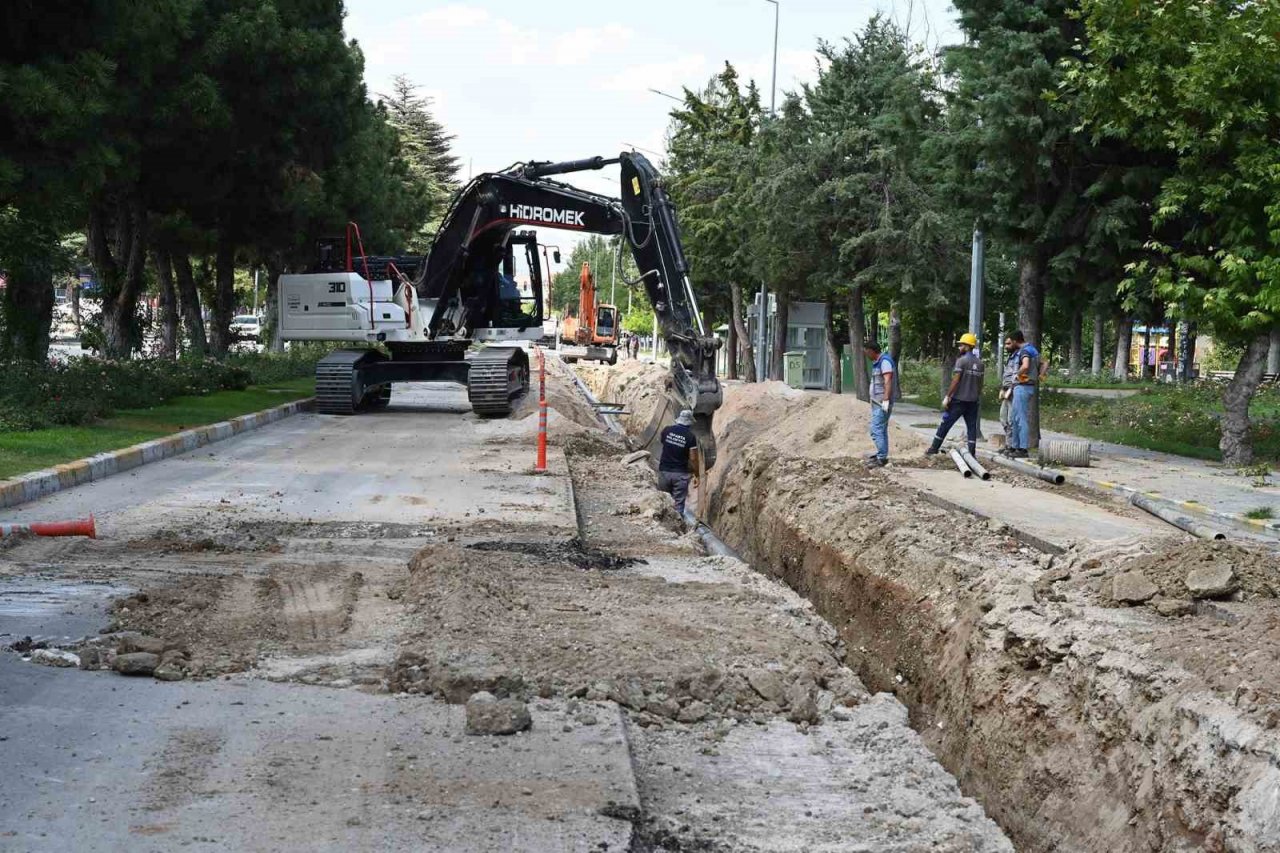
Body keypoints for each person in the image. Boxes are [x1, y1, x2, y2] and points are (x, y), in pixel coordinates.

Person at [926, 333, 985, 457]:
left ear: (967, 346)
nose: (959, 347)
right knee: (972, 428)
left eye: (961, 345)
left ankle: (933, 448)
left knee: (945, 423)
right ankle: (972, 453)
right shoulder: (980, 364)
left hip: (959, 400)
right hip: (973, 401)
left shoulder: (961, 361)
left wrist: (948, 396)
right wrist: (976, 396)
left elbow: (956, 380)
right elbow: (980, 384)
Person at [1004, 330, 1040, 459]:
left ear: (1015, 341)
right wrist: (1040, 375)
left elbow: (1025, 366)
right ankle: (1015, 447)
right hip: (1026, 386)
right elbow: (1045, 363)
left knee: (1020, 418)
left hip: (1022, 386)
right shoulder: (1032, 349)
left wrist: (1017, 375)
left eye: (1010, 342)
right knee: (1015, 418)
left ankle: (1022, 448)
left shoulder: (1024, 351)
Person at [658, 409, 700, 517]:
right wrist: (697, 474)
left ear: (679, 420)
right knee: (678, 507)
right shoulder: (690, 436)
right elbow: (693, 458)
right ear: (690, 423)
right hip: (680, 475)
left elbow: (662, 442)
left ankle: (662, 524)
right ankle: (676, 525)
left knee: (662, 501)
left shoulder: (667, 430)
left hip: (664, 472)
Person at [863, 340, 896, 468]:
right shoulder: (878, 362)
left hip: (882, 403)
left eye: (867, 352)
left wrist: (886, 400)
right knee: (881, 429)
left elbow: (888, 381)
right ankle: (882, 455)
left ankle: (881, 457)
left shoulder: (885, 362)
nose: (866, 355)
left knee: (875, 429)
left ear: (871, 351)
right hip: (878, 402)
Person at [998, 335, 1019, 444]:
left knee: (1011, 420)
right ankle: (1008, 443)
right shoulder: (1010, 357)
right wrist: (1002, 388)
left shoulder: (1018, 357)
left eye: (1008, 343)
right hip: (1006, 390)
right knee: (1003, 419)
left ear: (1015, 343)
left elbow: (1016, 375)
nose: (1006, 346)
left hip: (1013, 391)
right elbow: (1007, 375)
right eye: (1005, 344)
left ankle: (1011, 445)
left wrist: (1011, 388)